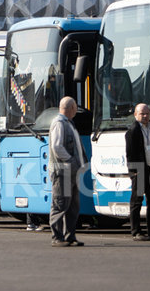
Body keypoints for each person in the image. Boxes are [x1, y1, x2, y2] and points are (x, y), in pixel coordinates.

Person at [48, 96, 86, 247]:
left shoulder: (69, 123)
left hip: (71, 172)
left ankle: (70, 236)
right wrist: (71, 160)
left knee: (72, 206)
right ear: (71, 108)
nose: (76, 110)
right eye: (75, 107)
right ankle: (57, 237)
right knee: (60, 204)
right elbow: (57, 147)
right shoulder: (59, 123)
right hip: (63, 171)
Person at [126, 103, 150, 241]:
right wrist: (133, 171)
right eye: (142, 114)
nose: (145, 116)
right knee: (137, 201)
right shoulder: (133, 130)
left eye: (147, 113)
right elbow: (130, 153)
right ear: (135, 115)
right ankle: (136, 232)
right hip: (139, 169)